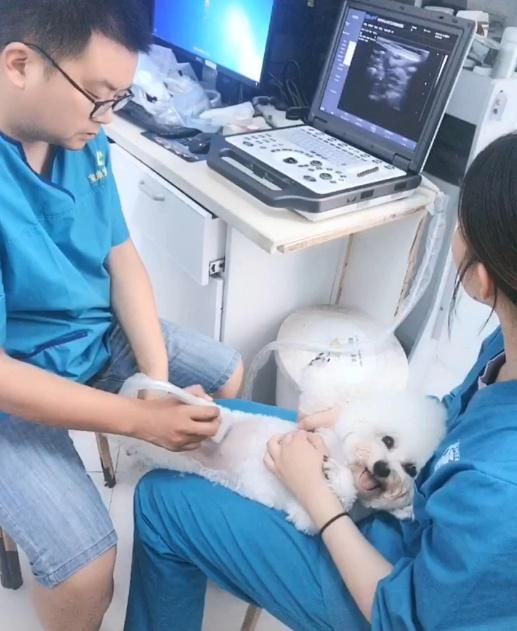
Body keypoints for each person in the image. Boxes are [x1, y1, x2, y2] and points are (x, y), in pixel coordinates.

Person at [124, 132, 517, 631]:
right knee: (219, 423)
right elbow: (452, 418)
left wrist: (318, 499)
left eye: (461, 226)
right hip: (410, 519)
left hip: (385, 588)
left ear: (480, 280)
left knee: (161, 502)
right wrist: (356, 419)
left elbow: (402, 618)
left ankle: (213, 537)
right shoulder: (504, 349)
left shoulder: (499, 487)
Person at [0, 2, 242, 630]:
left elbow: (122, 257)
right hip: (14, 380)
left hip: (90, 338)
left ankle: (188, 538)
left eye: (119, 98)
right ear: (19, 65)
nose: (106, 116)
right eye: (98, 96)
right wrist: (140, 419)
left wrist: (155, 383)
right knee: (87, 572)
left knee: (226, 377)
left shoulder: (82, 137)